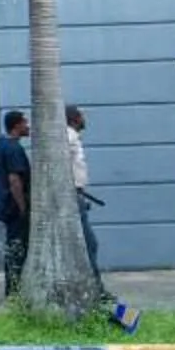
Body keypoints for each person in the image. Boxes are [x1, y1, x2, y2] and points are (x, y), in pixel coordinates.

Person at [0, 110, 32, 299]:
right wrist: (22, 207)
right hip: (13, 205)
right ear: (16, 125)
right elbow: (15, 181)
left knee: (13, 244)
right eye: (25, 123)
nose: (28, 126)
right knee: (17, 246)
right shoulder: (14, 149)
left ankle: (13, 288)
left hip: (1, 202)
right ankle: (13, 291)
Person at [66, 104, 101, 280]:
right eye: (82, 115)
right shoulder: (69, 138)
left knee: (89, 244)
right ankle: (96, 288)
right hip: (72, 195)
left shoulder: (73, 137)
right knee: (89, 244)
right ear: (75, 118)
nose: (84, 119)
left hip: (77, 194)